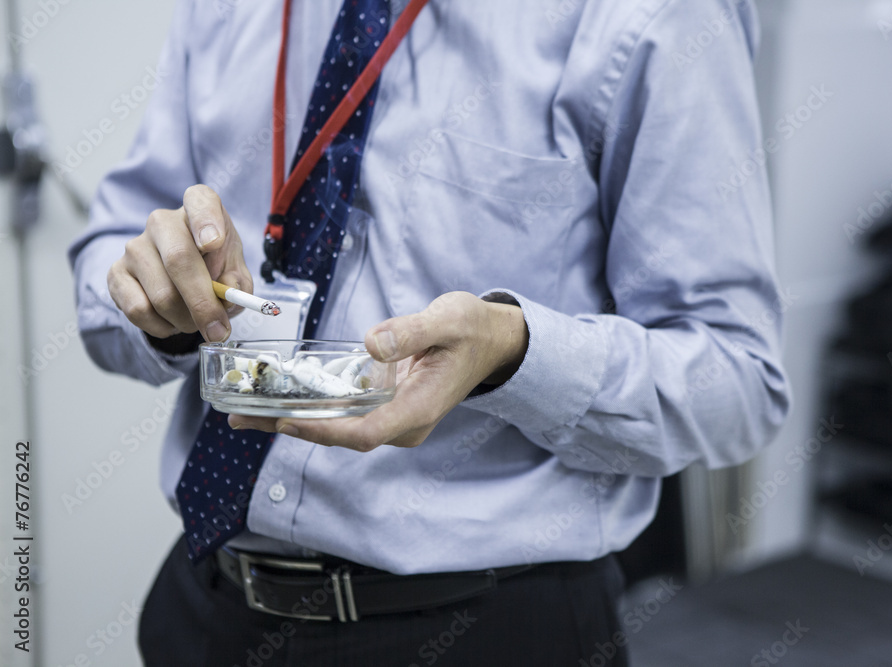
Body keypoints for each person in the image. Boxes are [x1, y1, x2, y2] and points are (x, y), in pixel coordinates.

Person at [69, 0, 790, 664]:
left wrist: (513, 355)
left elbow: (738, 376)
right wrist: (163, 307)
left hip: (484, 630)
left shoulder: (650, 15)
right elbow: (111, 253)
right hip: (207, 608)